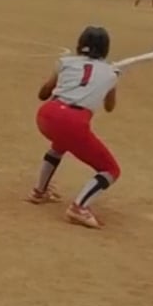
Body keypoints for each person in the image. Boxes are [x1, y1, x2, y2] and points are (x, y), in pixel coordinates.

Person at [28, 25, 122, 230]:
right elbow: (109, 107)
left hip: (46, 115)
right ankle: (79, 208)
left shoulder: (66, 62)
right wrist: (114, 78)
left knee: (60, 144)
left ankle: (39, 191)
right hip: (72, 122)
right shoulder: (111, 73)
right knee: (110, 170)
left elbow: (43, 94)